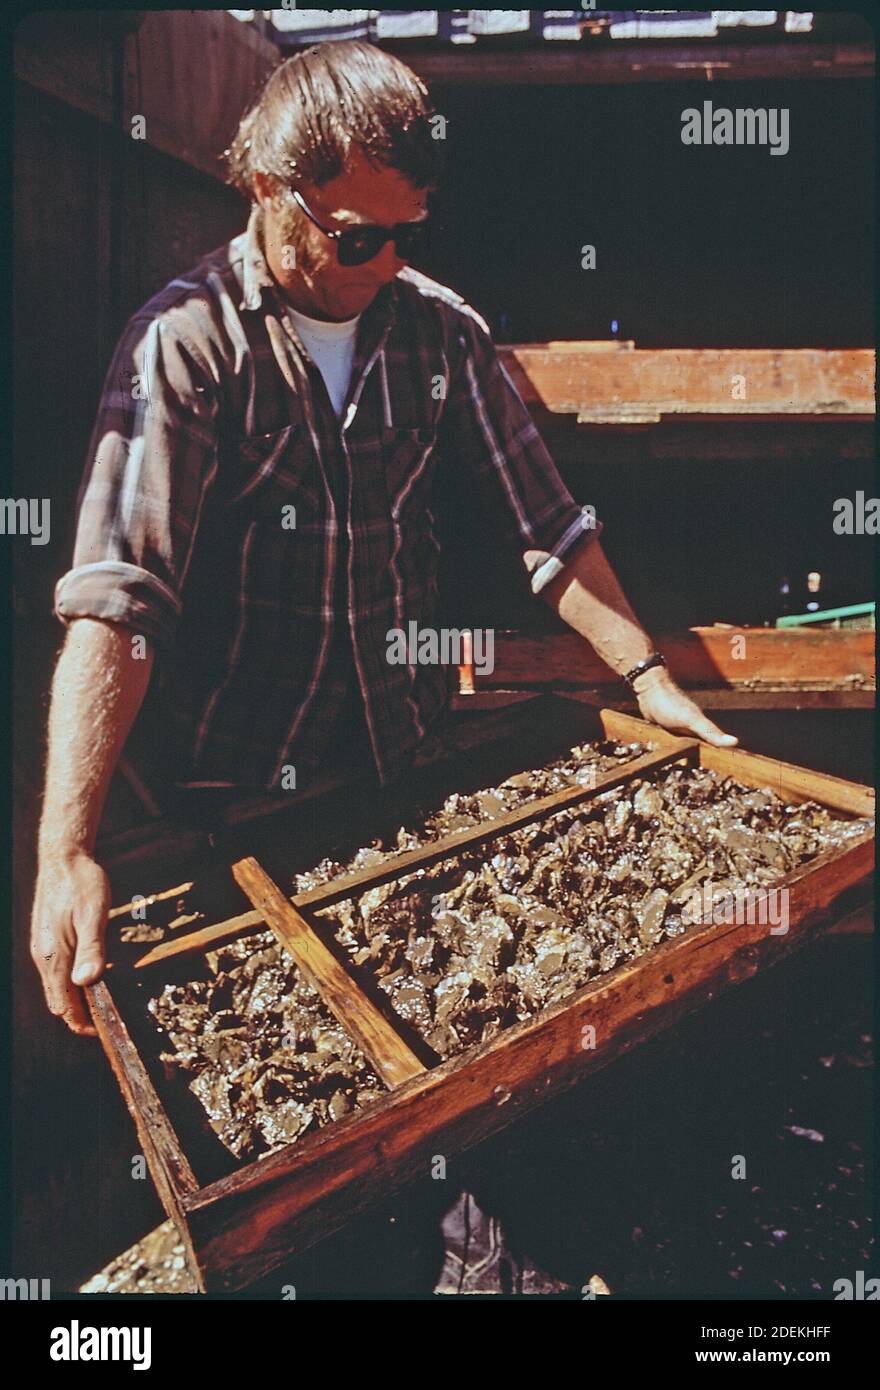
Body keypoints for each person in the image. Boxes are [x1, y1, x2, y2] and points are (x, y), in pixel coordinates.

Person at [31, 38, 735, 1041]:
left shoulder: (439, 334)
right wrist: (69, 851)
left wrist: (647, 675)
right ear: (272, 190)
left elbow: (544, 521)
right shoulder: (185, 346)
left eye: (410, 231)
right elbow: (118, 595)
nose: (391, 260)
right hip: (230, 804)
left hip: (396, 768)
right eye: (360, 237)